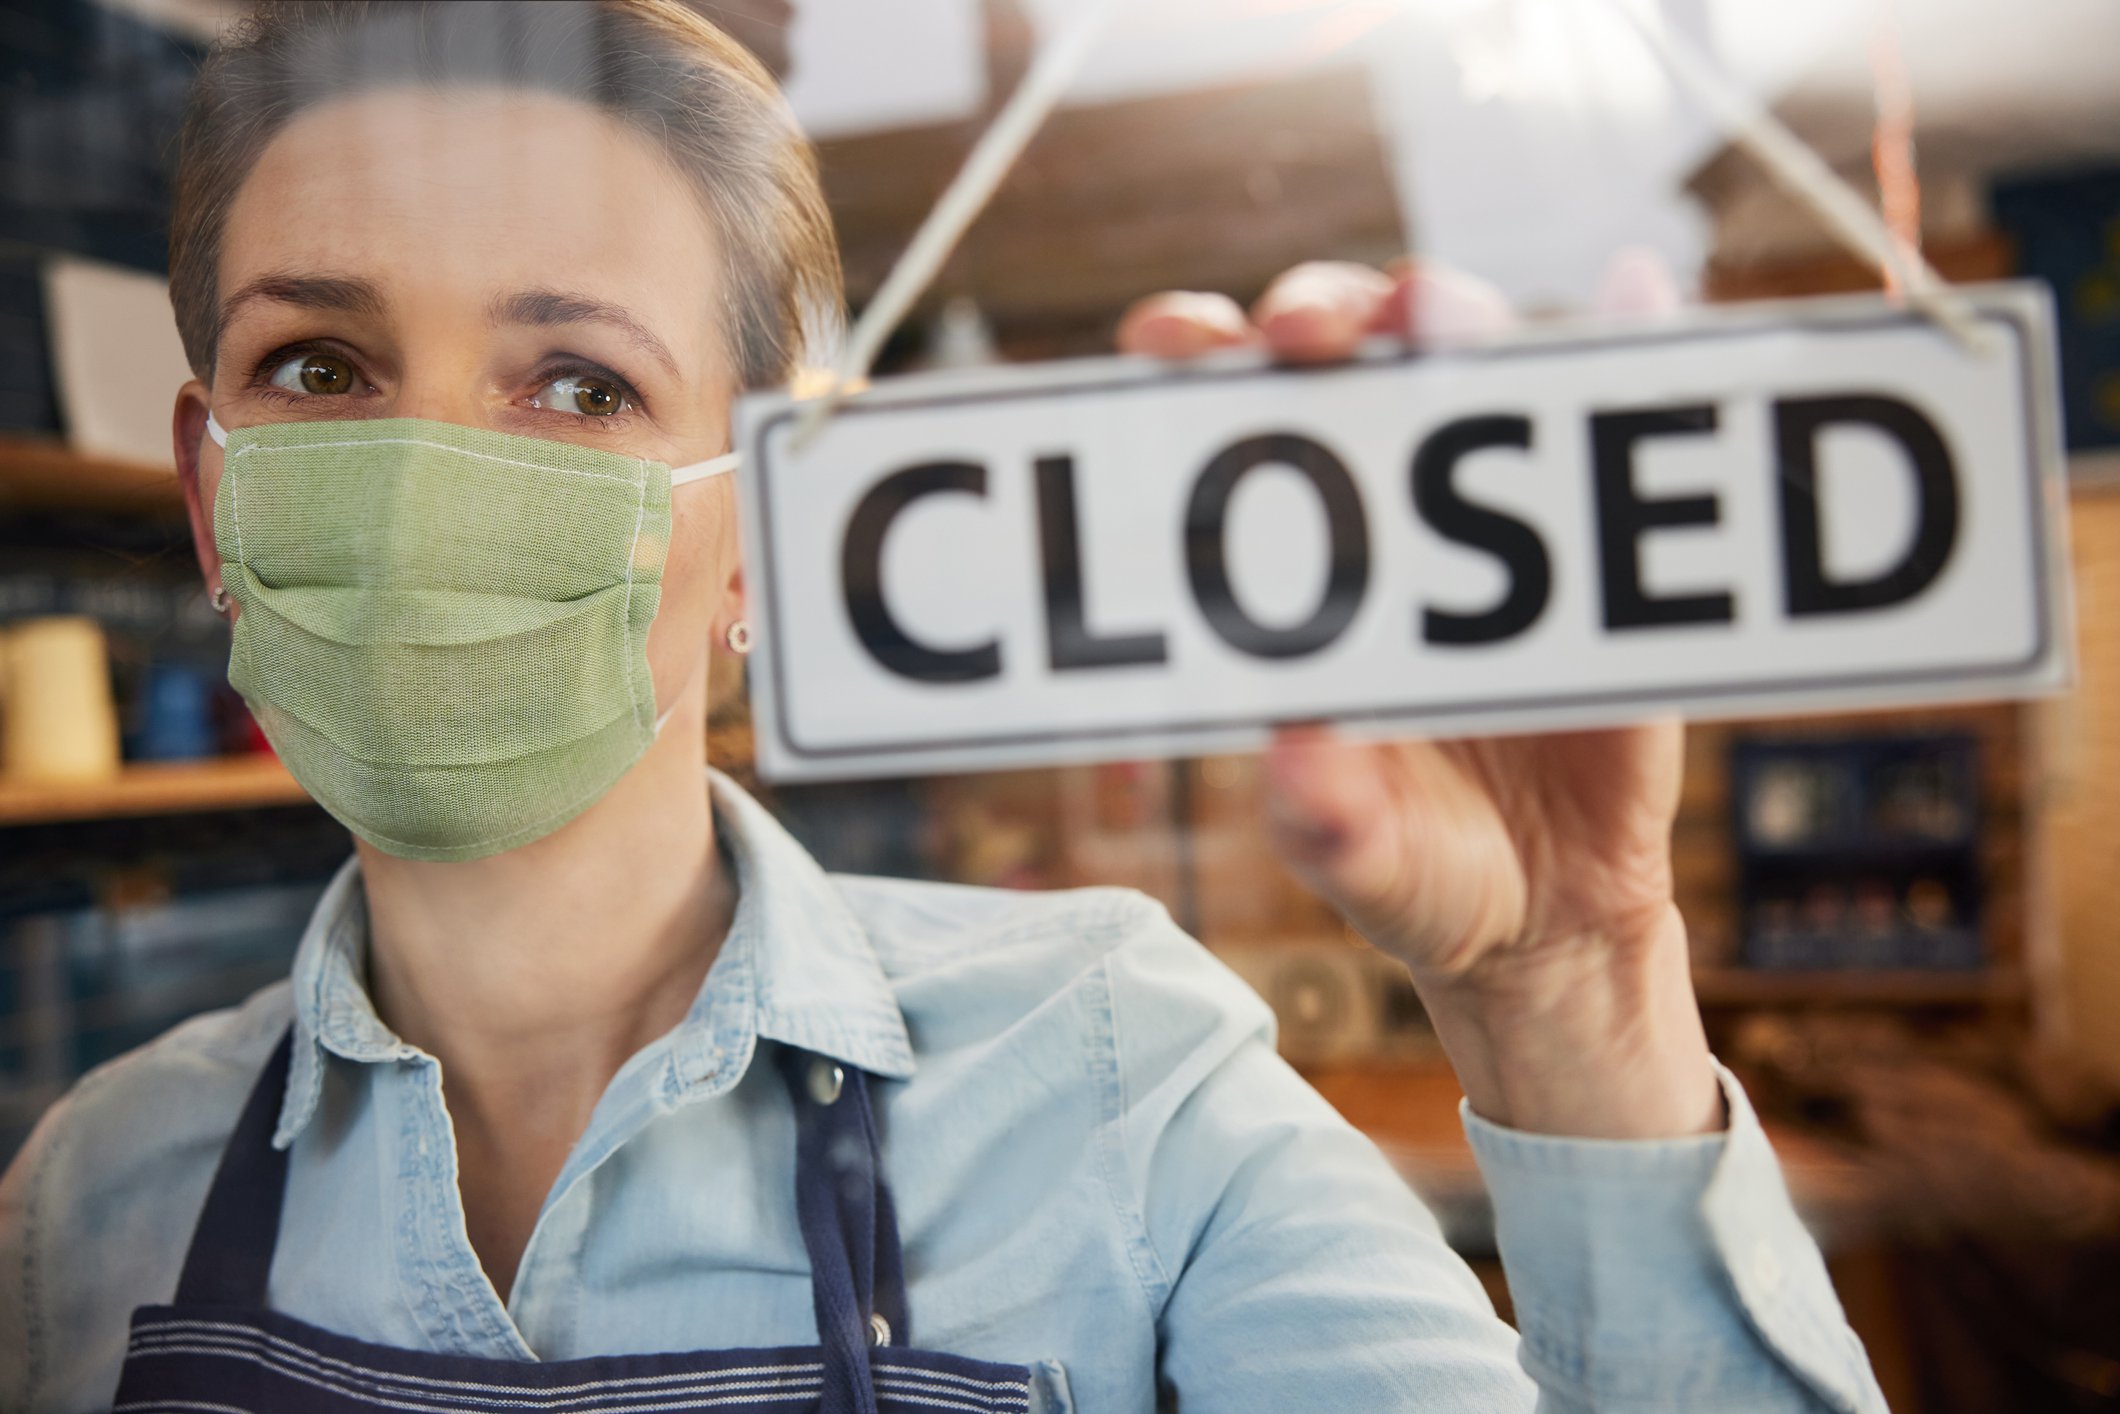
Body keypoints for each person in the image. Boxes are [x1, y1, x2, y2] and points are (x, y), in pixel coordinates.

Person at [0, 3, 1887, 1410]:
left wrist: (1578, 983)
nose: (421, 478)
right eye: (320, 364)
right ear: (211, 494)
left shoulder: (1114, 1082)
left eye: (576, 383)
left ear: (765, 530)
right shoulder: (87, 1200)